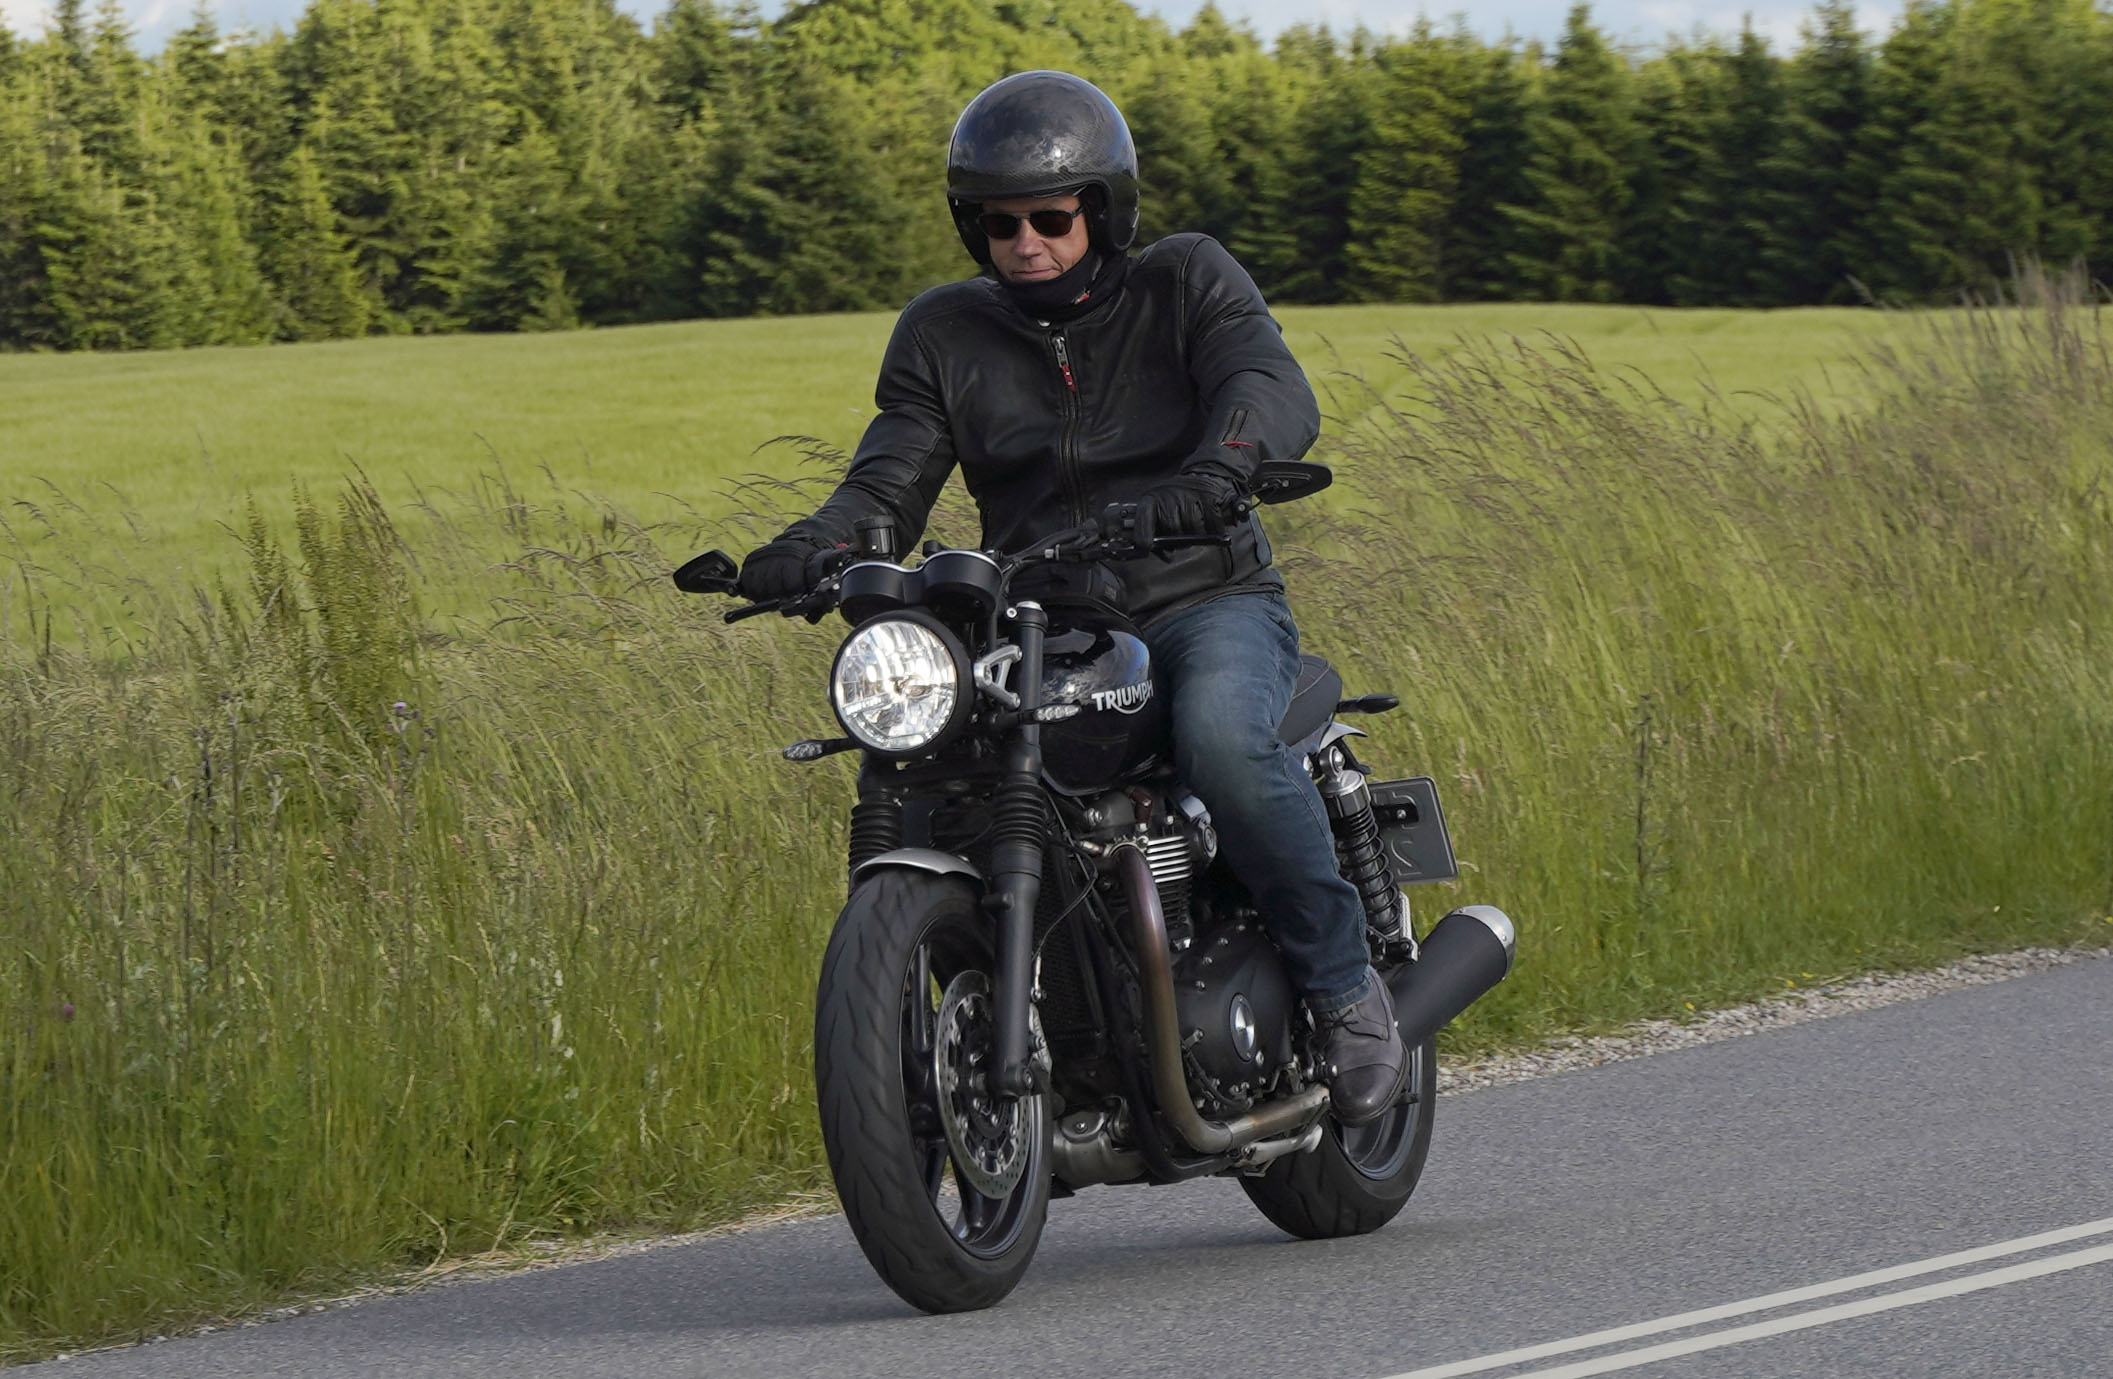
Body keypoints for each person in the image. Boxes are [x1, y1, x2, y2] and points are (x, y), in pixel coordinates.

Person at [736, 70, 1407, 1125]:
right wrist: (811, 547)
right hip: (1044, 619)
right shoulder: (943, 333)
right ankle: (989, 1030)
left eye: (1050, 218)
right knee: (930, 772)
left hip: (1201, 593)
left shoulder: (1184, 281)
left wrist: (1219, 470)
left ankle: (1343, 989)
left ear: (1103, 209)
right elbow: (889, 478)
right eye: (999, 223)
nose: (1025, 243)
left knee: (1221, 738)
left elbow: (1266, 385)